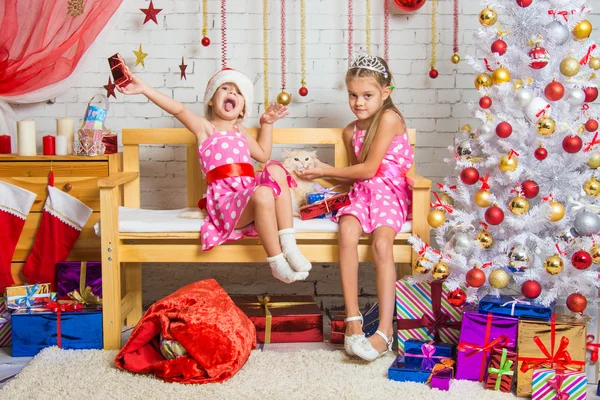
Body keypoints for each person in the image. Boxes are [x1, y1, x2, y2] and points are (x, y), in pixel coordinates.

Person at [117, 68, 312, 283]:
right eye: (225, 88)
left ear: (241, 110)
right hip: (227, 202)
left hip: (249, 195)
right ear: (211, 100)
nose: (232, 93)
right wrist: (145, 89)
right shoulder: (205, 129)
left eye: (238, 93)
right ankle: (276, 261)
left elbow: (263, 155)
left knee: (275, 169)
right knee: (264, 194)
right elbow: (179, 110)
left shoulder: (240, 131)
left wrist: (266, 123)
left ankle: (290, 245)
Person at [301, 54, 414, 361]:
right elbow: (356, 178)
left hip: (390, 192)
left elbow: (369, 169)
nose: (359, 102)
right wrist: (319, 186)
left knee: (380, 243)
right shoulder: (350, 131)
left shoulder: (390, 119)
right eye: (353, 95)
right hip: (363, 194)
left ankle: (385, 332)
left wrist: (323, 169)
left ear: (386, 92)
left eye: (367, 95)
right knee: (347, 231)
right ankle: (353, 319)